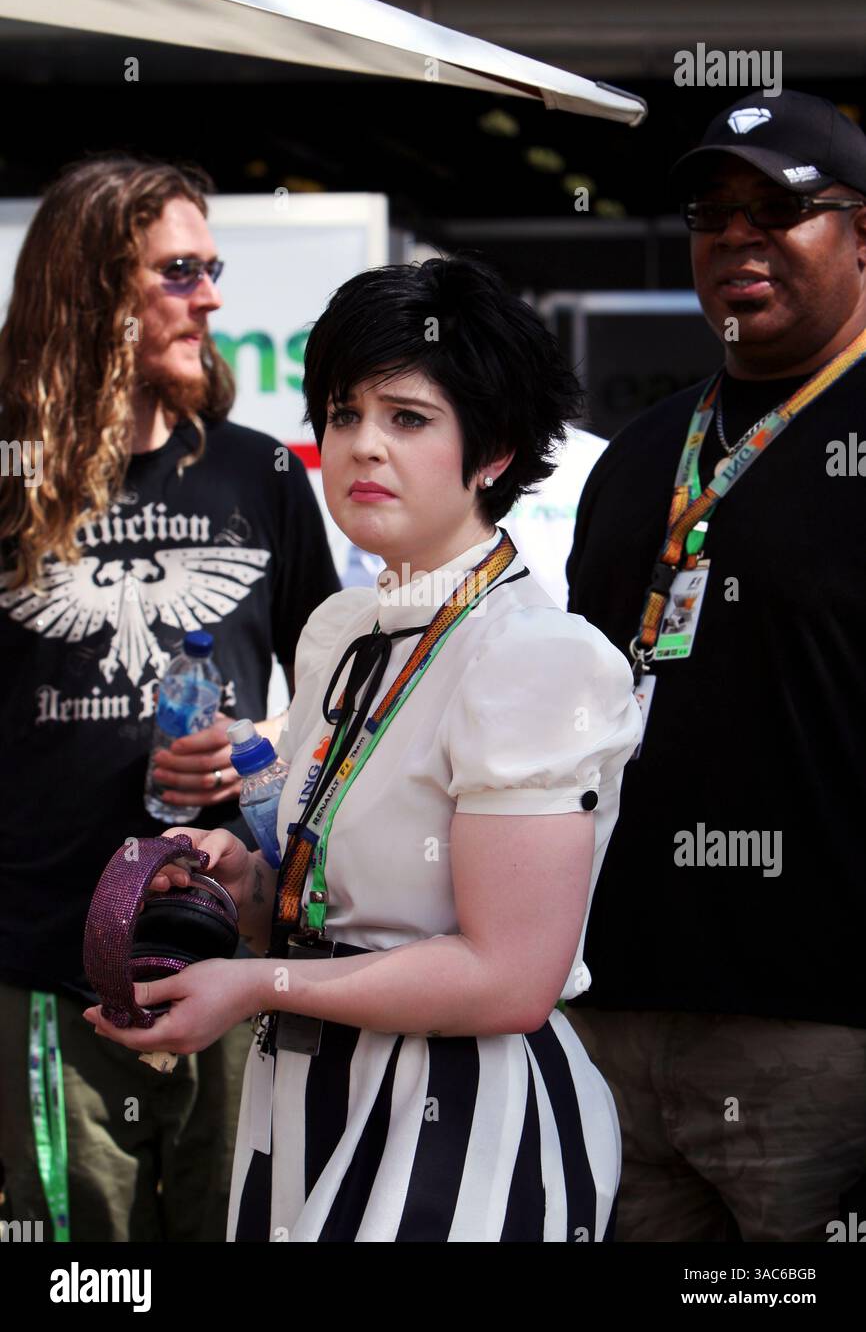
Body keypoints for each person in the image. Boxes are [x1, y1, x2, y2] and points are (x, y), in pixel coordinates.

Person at [84, 255, 643, 1243]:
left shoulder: (539, 657)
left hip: (459, 1121)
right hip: (303, 1096)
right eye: (342, 414)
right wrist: (237, 876)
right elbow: (334, 898)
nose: (361, 447)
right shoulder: (341, 628)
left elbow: (506, 979)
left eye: (407, 417)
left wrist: (253, 985)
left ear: (493, 451)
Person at [0, 154, 340, 1241]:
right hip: (48, 961)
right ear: (95, 290)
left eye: (214, 265)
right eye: (179, 270)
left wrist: (256, 750)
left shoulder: (262, 474)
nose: (213, 297)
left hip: (228, 955)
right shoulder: (9, 481)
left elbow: (336, 695)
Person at [564, 89, 866, 1242]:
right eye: (709, 213)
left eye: (775, 209)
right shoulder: (640, 455)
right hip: (611, 1014)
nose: (735, 235)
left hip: (819, 1035)